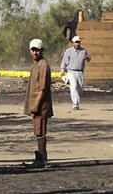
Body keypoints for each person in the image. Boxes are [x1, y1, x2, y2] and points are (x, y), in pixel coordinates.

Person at [24, 38, 53, 169]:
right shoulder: (35, 65)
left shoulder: (43, 65)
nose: (35, 53)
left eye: (37, 50)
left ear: (42, 51)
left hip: (41, 105)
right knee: (37, 131)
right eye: (33, 50)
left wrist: (36, 105)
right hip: (35, 103)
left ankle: (43, 160)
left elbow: (43, 88)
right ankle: (39, 159)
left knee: (40, 131)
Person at [60, 35, 91, 110]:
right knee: (73, 87)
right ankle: (75, 104)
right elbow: (64, 61)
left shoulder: (83, 51)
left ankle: (76, 100)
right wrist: (62, 70)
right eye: (76, 42)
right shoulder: (69, 51)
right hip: (71, 71)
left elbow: (89, 58)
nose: (77, 44)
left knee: (80, 89)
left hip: (80, 72)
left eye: (78, 42)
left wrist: (87, 58)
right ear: (73, 43)